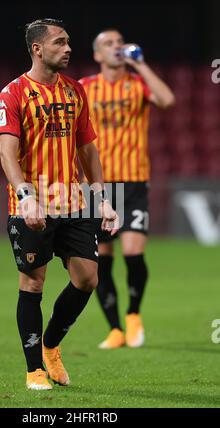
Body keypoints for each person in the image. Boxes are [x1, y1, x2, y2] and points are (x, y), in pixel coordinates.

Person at [0, 19, 119, 390]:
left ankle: (51, 345)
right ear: (37, 49)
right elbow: (7, 153)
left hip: (74, 201)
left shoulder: (75, 90)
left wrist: (103, 199)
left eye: (68, 42)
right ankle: (34, 368)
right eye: (60, 43)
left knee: (87, 279)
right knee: (33, 283)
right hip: (31, 206)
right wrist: (27, 197)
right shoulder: (13, 94)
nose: (68, 49)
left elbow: (88, 148)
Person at [80, 29, 175, 349]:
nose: (116, 47)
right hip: (100, 185)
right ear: (97, 55)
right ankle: (115, 329)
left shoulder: (138, 83)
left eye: (119, 42)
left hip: (134, 180)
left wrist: (142, 65)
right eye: (108, 44)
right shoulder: (84, 88)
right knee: (101, 260)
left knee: (134, 254)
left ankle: (133, 315)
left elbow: (167, 100)